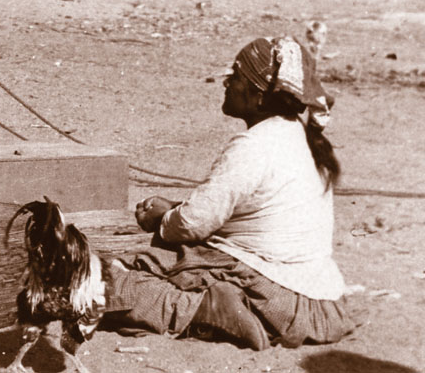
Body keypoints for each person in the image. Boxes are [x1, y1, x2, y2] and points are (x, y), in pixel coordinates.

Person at [106, 36, 354, 350]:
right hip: (317, 297)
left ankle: (208, 311)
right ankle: (221, 308)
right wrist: (175, 208)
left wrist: (163, 218)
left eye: (236, 76)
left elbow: (194, 223)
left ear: (259, 96)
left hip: (269, 285)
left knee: (112, 279)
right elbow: (239, 207)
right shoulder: (296, 134)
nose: (227, 82)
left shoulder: (253, 146)